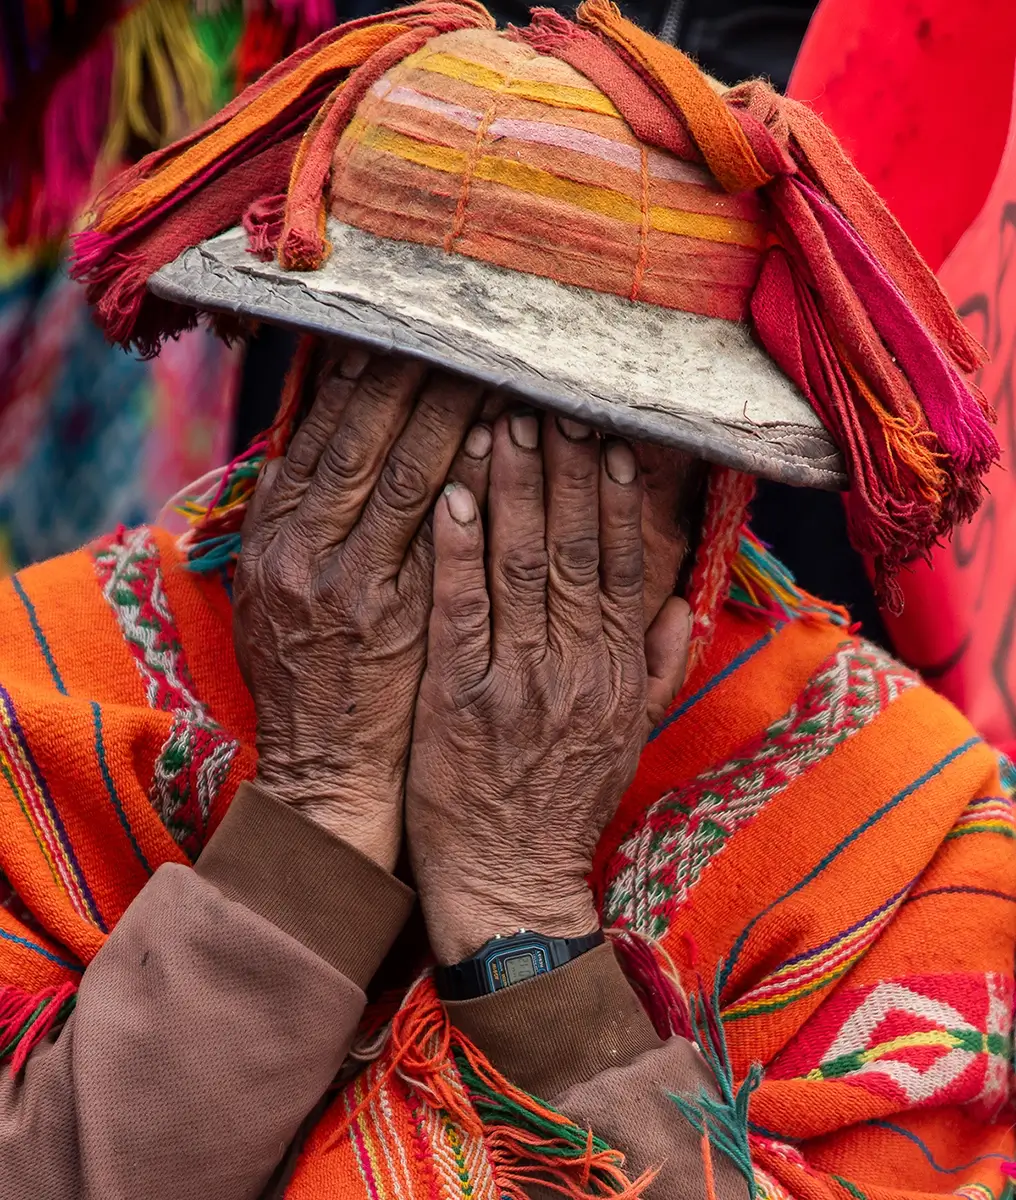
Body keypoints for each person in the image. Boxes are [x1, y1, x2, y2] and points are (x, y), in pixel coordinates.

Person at [0, 3, 1011, 1198]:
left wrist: (523, 924)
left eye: (578, 452)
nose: (481, 508)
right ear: (308, 403)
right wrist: (312, 829)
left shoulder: (901, 820)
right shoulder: (51, 681)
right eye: (403, 417)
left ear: (710, 501)